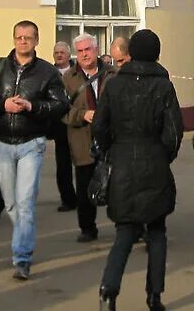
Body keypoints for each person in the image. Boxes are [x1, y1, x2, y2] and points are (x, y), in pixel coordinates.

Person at [0, 21, 70, 280]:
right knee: (11, 204)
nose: (23, 41)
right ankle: (23, 235)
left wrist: (32, 107)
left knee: (25, 203)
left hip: (32, 143)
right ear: (14, 39)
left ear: (37, 40)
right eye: (19, 37)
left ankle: (22, 258)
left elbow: (61, 105)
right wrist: (2, 104)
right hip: (3, 143)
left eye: (28, 37)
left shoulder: (47, 72)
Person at [95, 29, 183, 311]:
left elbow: (99, 126)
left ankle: (109, 291)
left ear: (131, 52)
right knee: (157, 232)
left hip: (121, 162)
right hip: (154, 161)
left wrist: (111, 151)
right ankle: (154, 296)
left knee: (124, 233)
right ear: (157, 53)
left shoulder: (114, 85)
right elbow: (173, 131)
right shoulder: (163, 86)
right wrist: (163, 155)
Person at [62, 33, 116, 243]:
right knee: (84, 188)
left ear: (96, 50)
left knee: (116, 186)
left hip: (110, 140)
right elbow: (61, 109)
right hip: (82, 139)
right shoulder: (68, 78)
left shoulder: (113, 74)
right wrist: (82, 115)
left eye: (88, 49)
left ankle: (126, 226)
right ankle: (87, 228)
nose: (84, 54)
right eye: (81, 50)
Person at [51, 41, 79, 212]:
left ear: (69, 55)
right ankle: (67, 199)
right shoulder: (48, 73)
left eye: (62, 52)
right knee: (63, 164)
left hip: (78, 122)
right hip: (60, 124)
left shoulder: (78, 72)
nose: (59, 55)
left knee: (85, 161)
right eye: (56, 52)